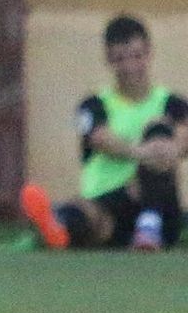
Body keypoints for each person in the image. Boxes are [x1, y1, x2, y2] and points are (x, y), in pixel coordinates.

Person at [21, 15, 187, 251]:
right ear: (108, 59)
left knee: (159, 129)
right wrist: (141, 153)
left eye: (137, 56)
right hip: (109, 204)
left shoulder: (172, 103)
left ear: (149, 53)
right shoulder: (93, 105)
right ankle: (58, 228)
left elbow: (183, 134)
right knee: (82, 216)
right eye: (120, 59)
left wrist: (169, 150)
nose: (130, 67)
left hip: (160, 208)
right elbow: (100, 138)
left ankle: (148, 226)